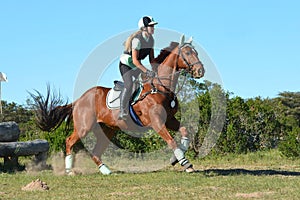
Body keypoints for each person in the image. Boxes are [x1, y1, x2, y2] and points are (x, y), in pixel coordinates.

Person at [118, 16, 157, 120]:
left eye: (153, 26)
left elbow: (152, 59)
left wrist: (156, 70)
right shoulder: (137, 40)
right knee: (129, 84)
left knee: (144, 84)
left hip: (136, 66)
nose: (153, 28)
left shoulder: (151, 40)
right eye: (151, 26)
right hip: (126, 65)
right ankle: (122, 110)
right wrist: (147, 71)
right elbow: (135, 60)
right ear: (144, 27)